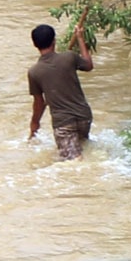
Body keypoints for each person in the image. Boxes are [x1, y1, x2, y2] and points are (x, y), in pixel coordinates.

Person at [25, 22, 95, 159]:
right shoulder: (69, 57)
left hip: (63, 122)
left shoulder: (34, 72)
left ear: (35, 45)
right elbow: (88, 65)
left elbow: (39, 103)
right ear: (54, 41)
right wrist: (80, 38)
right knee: (82, 151)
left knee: (72, 161)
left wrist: (34, 124)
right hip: (84, 116)